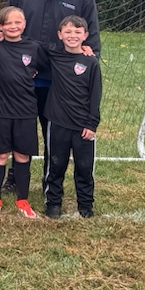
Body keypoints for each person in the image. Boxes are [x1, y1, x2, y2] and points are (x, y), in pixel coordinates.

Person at [4, 0, 99, 189]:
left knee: (53, 136)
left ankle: (50, 178)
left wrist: (90, 57)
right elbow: (7, 25)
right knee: (20, 131)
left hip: (58, 84)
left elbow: (91, 37)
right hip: (24, 78)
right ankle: (15, 176)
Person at [0, 6, 48, 218]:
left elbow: (50, 63)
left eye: (17, 22)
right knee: (0, 154)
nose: (13, 26)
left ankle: (23, 200)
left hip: (26, 110)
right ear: (0, 26)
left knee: (22, 155)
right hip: (0, 109)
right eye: (8, 23)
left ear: (25, 24)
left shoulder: (34, 47)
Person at [42, 15, 102, 219]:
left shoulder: (91, 62)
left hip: (83, 126)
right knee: (56, 165)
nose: (72, 36)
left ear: (85, 35)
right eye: (67, 31)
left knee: (84, 167)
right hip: (57, 122)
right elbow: (30, 43)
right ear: (59, 35)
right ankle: (53, 204)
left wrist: (92, 124)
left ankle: (85, 206)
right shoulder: (54, 53)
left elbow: (95, 95)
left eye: (77, 32)